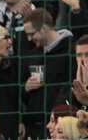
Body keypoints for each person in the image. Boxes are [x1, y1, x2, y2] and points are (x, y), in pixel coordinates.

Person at [22, 8, 76, 139]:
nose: (29, 39)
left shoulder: (71, 51)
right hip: (33, 127)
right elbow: (19, 93)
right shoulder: (31, 56)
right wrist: (25, 88)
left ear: (44, 28)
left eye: (31, 34)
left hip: (60, 127)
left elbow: (73, 87)